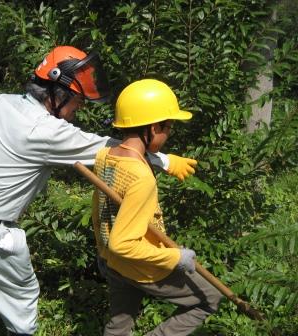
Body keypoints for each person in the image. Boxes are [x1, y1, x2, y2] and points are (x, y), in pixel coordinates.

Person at [0, 47, 198, 336]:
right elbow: (116, 150)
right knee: (22, 302)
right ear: (57, 93)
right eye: (77, 101)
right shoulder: (44, 131)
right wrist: (165, 160)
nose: (78, 109)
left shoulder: (0, 103)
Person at [92, 79, 222, 336]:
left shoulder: (105, 155)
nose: (169, 134)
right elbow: (125, 243)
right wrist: (176, 257)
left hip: (112, 261)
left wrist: (103, 250)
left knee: (119, 323)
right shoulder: (141, 177)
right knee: (210, 298)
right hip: (141, 265)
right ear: (153, 128)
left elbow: (101, 214)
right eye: (168, 127)